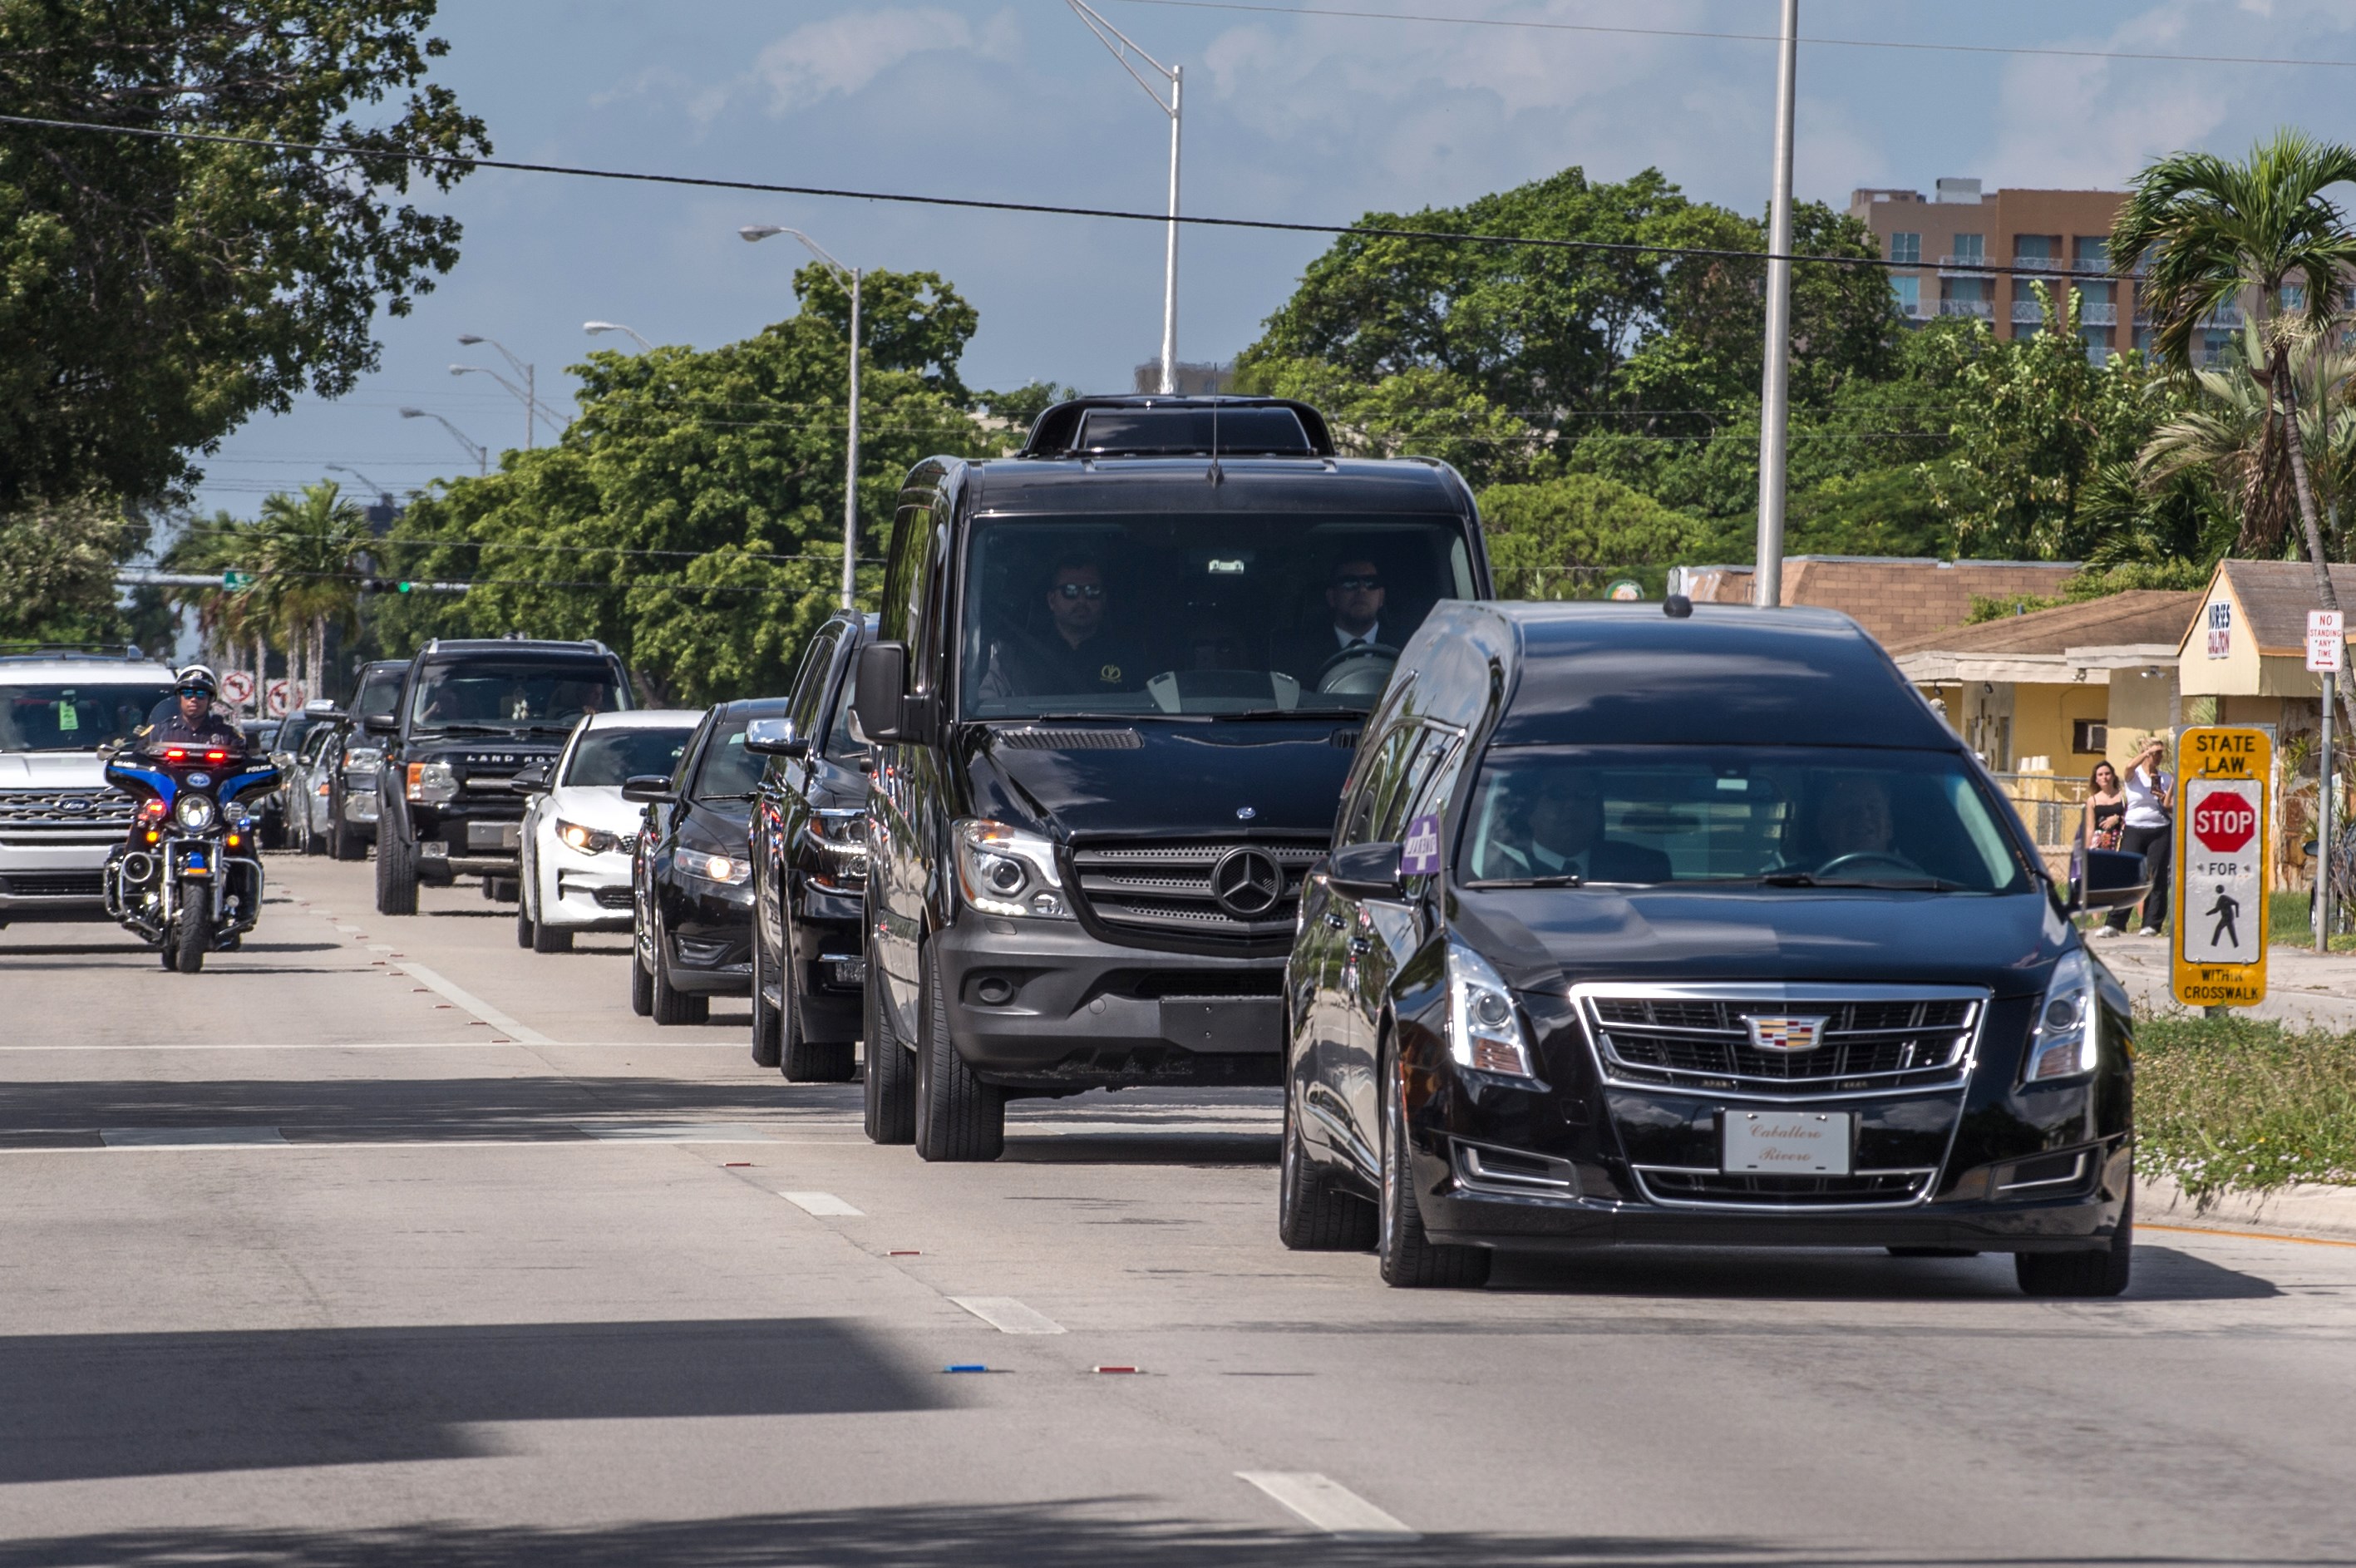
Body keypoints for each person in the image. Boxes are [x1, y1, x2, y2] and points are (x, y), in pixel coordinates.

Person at [980, 557, 1148, 700]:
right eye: (1070, 591)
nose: (1082, 600)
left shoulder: (1128, 657)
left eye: (1092, 591)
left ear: (1104, 599)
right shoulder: (1014, 657)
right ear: (1052, 600)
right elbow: (985, 709)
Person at [1494, 772, 1672, 883]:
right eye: (1558, 794)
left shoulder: (1644, 868)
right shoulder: (1493, 871)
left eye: (1585, 793)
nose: (1572, 804)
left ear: (1597, 810)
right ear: (1529, 811)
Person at [1275, 558, 1390, 688]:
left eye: (1371, 583)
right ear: (1331, 597)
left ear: (1381, 597)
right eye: (1350, 583)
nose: (1362, 590)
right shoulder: (1297, 654)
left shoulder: (1407, 648)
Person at [2105, 737, 2173, 937]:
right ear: (2147, 753)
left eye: (2162, 753)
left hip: (2160, 829)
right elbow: (2128, 767)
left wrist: (2167, 794)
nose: (2160, 756)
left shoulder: (2166, 778)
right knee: (2128, 874)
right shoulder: (2134, 776)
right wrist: (2146, 752)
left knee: (2156, 876)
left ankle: (2151, 924)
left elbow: (2170, 806)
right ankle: (2115, 923)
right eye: (2157, 753)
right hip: (2135, 828)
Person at [135, 666, 247, 756]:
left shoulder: (228, 736)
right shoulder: (157, 733)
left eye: (201, 694)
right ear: (179, 698)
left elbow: (243, 768)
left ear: (211, 699)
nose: (194, 699)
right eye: (188, 694)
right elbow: (138, 762)